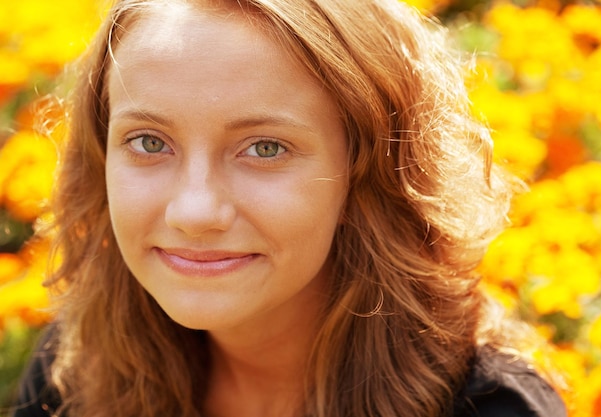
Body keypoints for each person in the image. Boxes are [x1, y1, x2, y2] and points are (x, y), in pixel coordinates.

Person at [10, 0, 567, 416]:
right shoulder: (76, 371)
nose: (195, 210)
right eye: (149, 142)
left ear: (369, 171)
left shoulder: (492, 408)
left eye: (265, 148)